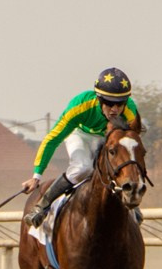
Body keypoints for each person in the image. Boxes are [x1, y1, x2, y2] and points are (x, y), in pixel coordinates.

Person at [21, 67, 144, 228]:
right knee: (83, 167)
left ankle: (131, 204)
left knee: (115, 167)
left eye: (120, 104)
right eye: (109, 103)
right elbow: (53, 139)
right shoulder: (80, 106)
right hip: (80, 134)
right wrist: (36, 175)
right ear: (99, 99)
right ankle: (42, 206)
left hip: (107, 137)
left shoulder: (129, 111)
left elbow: (130, 147)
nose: (115, 110)